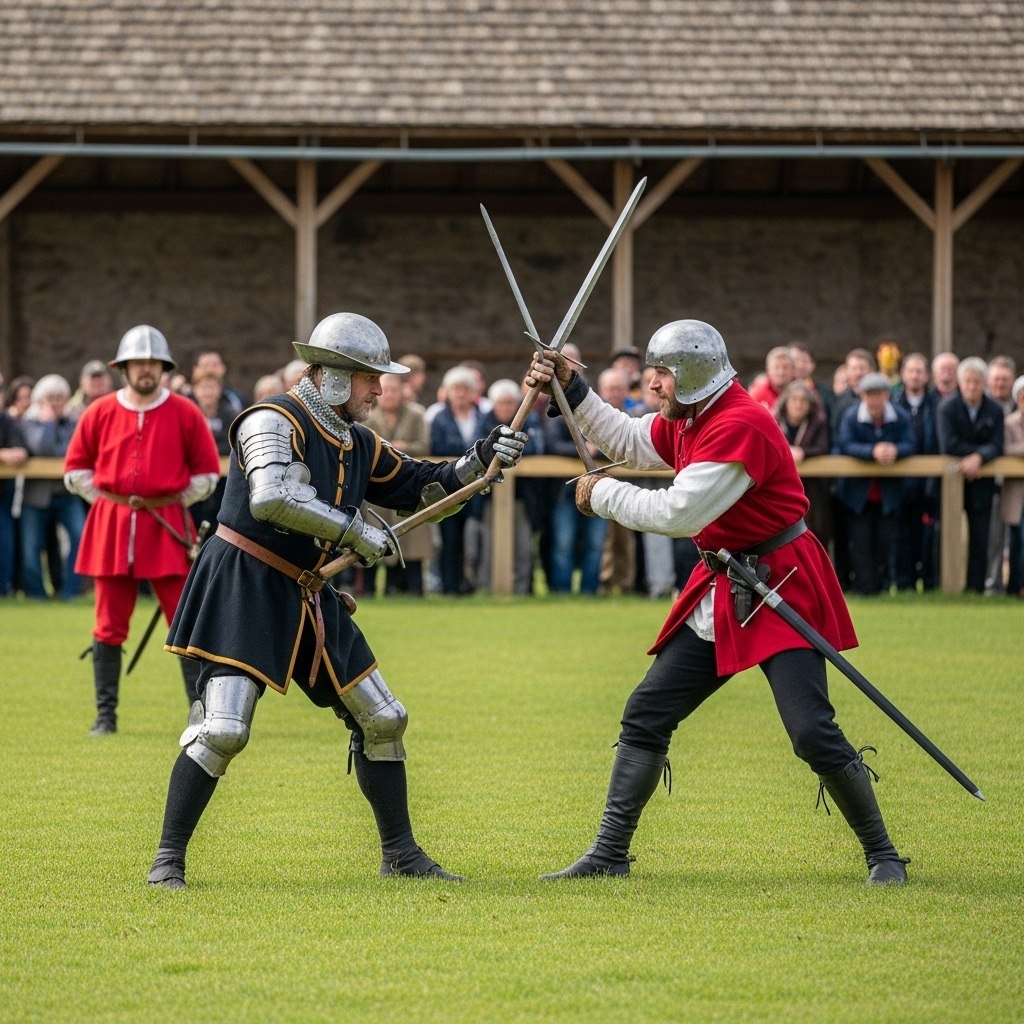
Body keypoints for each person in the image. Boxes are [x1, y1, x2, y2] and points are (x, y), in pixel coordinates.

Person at [147, 312, 527, 889]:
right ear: (329, 376)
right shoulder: (272, 419)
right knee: (223, 727)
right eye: (369, 377)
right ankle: (167, 860)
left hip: (309, 589)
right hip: (246, 584)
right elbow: (271, 497)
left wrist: (481, 461)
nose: (380, 389)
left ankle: (400, 854)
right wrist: (355, 531)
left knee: (384, 717)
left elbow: (421, 484)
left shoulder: (358, 441)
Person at [525, 319, 909, 886]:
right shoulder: (693, 415)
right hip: (723, 582)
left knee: (810, 730)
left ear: (691, 376)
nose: (651, 385)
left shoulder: (739, 425)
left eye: (661, 375)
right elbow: (631, 439)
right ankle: (609, 854)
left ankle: (883, 855)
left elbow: (680, 513)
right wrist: (572, 388)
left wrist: (600, 493)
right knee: (647, 712)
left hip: (779, 584)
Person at [64, 326, 222, 735]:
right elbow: (76, 469)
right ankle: (106, 718)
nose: (146, 370)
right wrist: (111, 500)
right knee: (108, 625)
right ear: (125, 368)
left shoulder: (186, 413)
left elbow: (206, 473)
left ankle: (201, 714)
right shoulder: (98, 412)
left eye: (153, 364)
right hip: (111, 526)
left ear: (163, 368)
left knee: (186, 622)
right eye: (139, 364)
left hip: (168, 526)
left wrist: (166, 501)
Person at [833, 372, 914, 596]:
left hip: (888, 493)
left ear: (887, 395)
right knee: (860, 543)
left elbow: (910, 442)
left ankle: (881, 586)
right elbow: (845, 443)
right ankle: (864, 589)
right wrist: (872, 451)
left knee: (885, 541)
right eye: (869, 395)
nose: (874, 400)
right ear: (862, 396)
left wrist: (895, 450)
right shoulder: (851, 416)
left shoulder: (899, 415)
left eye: (878, 394)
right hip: (857, 494)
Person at [936, 357, 1004, 594]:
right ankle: (944, 586)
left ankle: (976, 588)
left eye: (977, 382)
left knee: (981, 537)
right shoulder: (947, 407)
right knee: (945, 535)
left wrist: (979, 459)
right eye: (968, 382)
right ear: (960, 382)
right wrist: (974, 457)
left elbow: (997, 444)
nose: (972, 386)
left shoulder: (994, 409)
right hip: (949, 486)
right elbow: (948, 443)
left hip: (982, 484)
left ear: (984, 383)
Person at [20, 375, 87, 601]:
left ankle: (69, 592)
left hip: (66, 494)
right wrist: (48, 423)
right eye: (51, 398)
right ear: (40, 400)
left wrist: (54, 441)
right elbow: (41, 447)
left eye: (60, 398)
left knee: (80, 537)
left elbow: (72, 451)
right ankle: (36, 594)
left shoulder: (73, 423)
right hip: (36, 496)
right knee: (31, 547)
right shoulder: (28, 423)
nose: (56, 403)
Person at [364, 371, 432, 596]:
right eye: (387, 390)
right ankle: (371, 590)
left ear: (403, 391)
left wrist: (403, 447)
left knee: (412, 538)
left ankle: (413, 590)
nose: (390, 394)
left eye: (395, 389)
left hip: (408, 480)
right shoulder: (368, 416)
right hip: (376, 484)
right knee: (372, 533)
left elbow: (424, 445)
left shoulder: (416, 414)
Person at [475, 378, 543, 594]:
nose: (504, 407)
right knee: (488, 545)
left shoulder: (529, 419)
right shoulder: (483, 421)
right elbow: (478, 449)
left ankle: (522, 589)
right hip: (488, 496)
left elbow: (537, 449)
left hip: (523, 496)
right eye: (500, 403)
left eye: (509, 403)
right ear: (493, 404)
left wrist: (504, 454)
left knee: (523, 546)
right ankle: (486, 589)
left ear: (517, 404)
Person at [429, 365, 488, 595]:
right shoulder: (439, 419)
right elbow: (438, 447)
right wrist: (469, 455)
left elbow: (486, 446)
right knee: (449, 538)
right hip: (448, 486)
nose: (461, 394)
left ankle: (469, 583)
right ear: (448, 391)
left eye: (465, 388)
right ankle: (449, 585)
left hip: (475, 486)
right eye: (456, 389)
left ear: (473, 392)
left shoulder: (483, 417)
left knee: (473, 539)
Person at [892, 353, 941, 591]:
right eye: (910, 370)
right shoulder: (893, 403)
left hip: (930, 481)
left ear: (927, 376)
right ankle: (904, 583)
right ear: (903, 374)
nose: (915, 375)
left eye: (920, 371)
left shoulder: (937, 404)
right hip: (901, 482)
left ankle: (930, 582)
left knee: (929, 535)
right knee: (902, 535)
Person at [773, 381, 831, 550]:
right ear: (786, 402)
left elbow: (822, 447)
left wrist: (803, 452)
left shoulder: (818, 421)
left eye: (803, 400)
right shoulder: (774, 420)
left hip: (813, 489)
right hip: (782, 487)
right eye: (794, 399)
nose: (798, 404)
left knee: (815, 532)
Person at [188, 370, 235, 529]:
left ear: (219, 390)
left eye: (212, 387)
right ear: (195, 390)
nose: (207, 392)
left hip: (224, 476)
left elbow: (232, 443)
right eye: (203, 388)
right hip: (195, 475)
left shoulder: (230, 414)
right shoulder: (189, 414)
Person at [999, 374, 1024, 597]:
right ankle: (1015, 586)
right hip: (1017, 492)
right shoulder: (1009, 422)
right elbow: (1005, 448)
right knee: (1016, 540)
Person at [0, 404, 28, 597]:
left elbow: (21, 449)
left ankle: (4, 589)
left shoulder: (7, 421)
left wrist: (18, 452)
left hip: (3, 492)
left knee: (5, 542)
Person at [747, 346, 796, 411]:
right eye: (776, 367)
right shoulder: (757, 393)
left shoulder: (802, 392)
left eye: (785, 367)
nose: (781, 372)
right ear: (768, 370)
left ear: (793, 369)